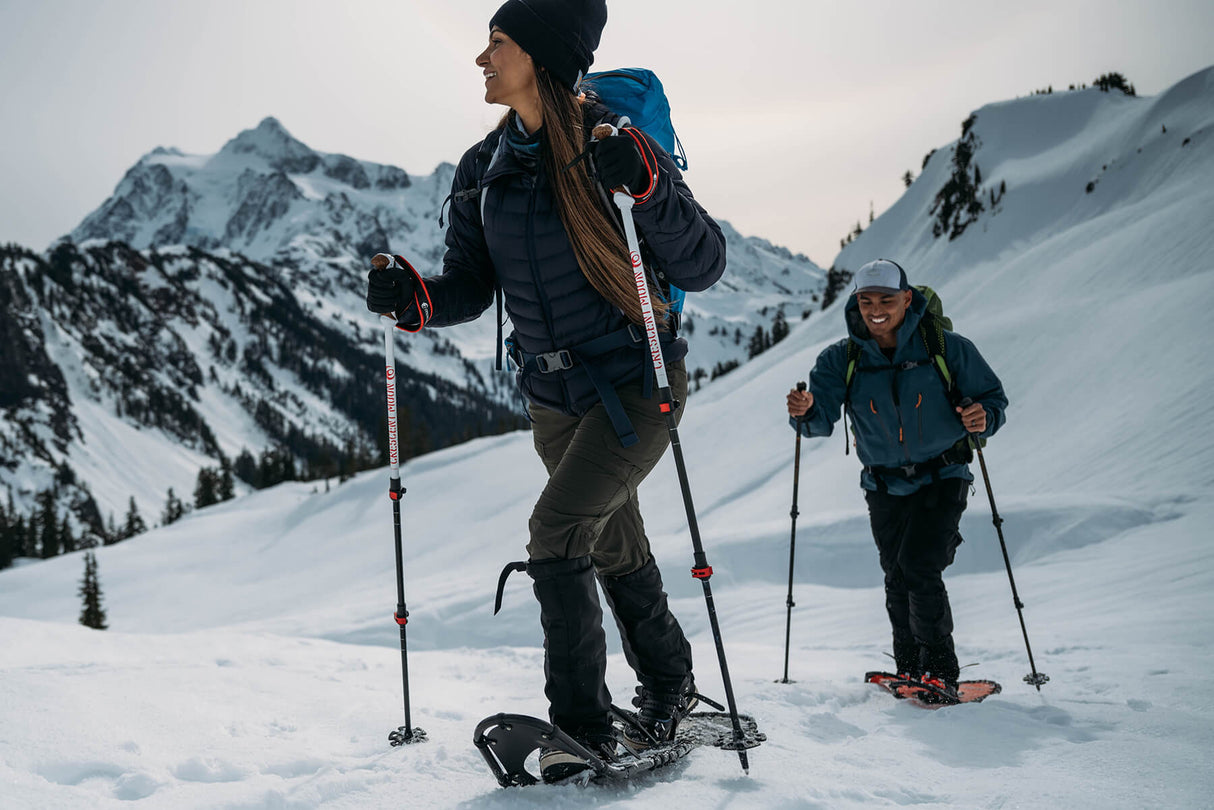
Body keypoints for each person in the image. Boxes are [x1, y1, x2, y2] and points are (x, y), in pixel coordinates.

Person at [366, 0, 726, 781]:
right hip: (551, 400)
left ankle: (583, 725)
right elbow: (470, 283)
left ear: (542, 55)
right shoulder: (483, 168)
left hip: (635, 382)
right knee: (610, 539)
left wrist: (649, 185)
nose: (481, 59)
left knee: (557, 529)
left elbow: (703, 265)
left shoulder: (613, 148)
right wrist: (417, 299)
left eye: (496, 43)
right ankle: (670, 685)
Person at [786, 259, 1007, 699]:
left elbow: (992, 401)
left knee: (919, 567)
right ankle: (910, 668)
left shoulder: (946, 348)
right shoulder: (841, 359)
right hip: (883, 484)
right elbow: (820, 420)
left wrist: (984, 417)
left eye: (887, 300)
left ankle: (940, 671)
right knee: (896, 574)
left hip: (944, 474)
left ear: (908, 299)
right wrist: (806, 411)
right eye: (866, 301)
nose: (876, 310)